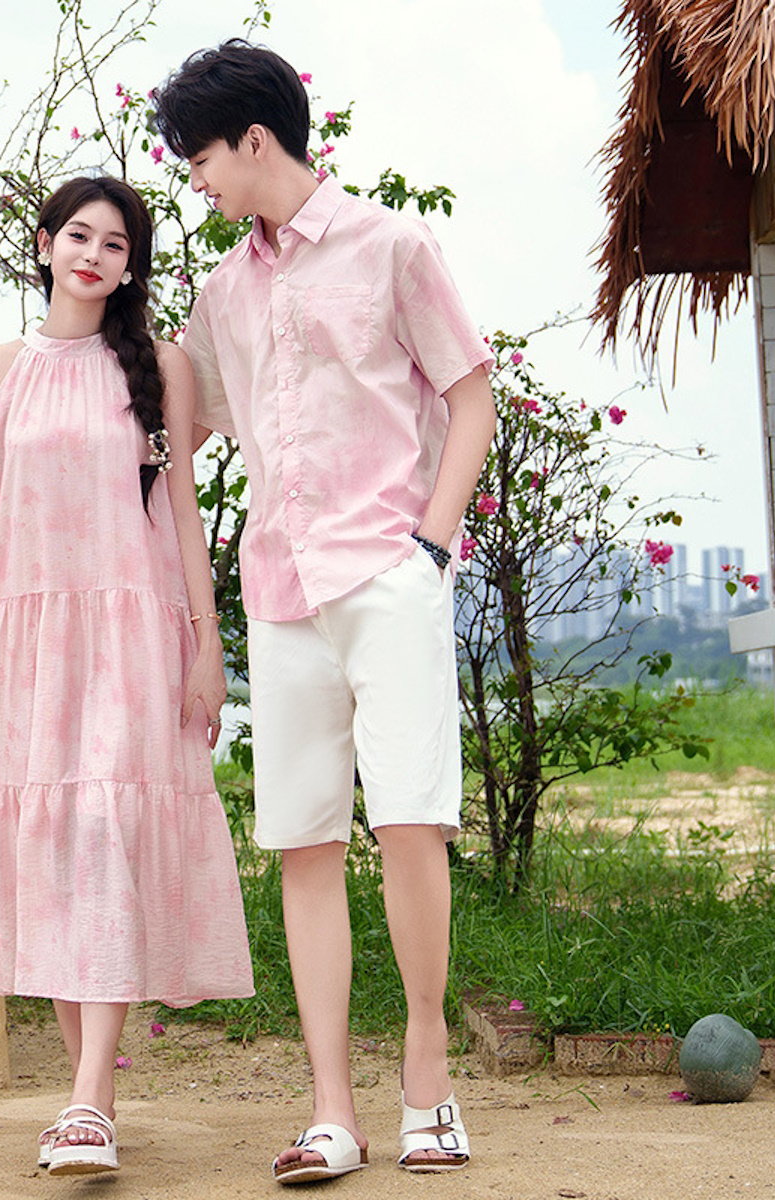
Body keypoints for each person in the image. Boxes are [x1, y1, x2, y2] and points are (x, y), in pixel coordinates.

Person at [153, 40, 496, 1183]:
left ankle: (429, 1080)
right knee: (302, 843)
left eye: (198, 156)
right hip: (281, 590)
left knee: (409, 825)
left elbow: (468, 392)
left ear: (257, 139)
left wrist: (431, 547)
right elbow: (178, 421)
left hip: (387, 580)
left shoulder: (391, 244)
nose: (192, 178)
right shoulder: (218, 294)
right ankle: (332, 1110)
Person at [0, 174, 254, 1178]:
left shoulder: (161, 367)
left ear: (131, 266)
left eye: (116, 244)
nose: (95, 255)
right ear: (45, 245)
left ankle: (90, 1096)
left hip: (129, 633)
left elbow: (181, 516)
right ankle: (85, 1099)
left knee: (101, 831)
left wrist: (206, 646)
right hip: (17, 641)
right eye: (79, 237)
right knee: (49, 848)